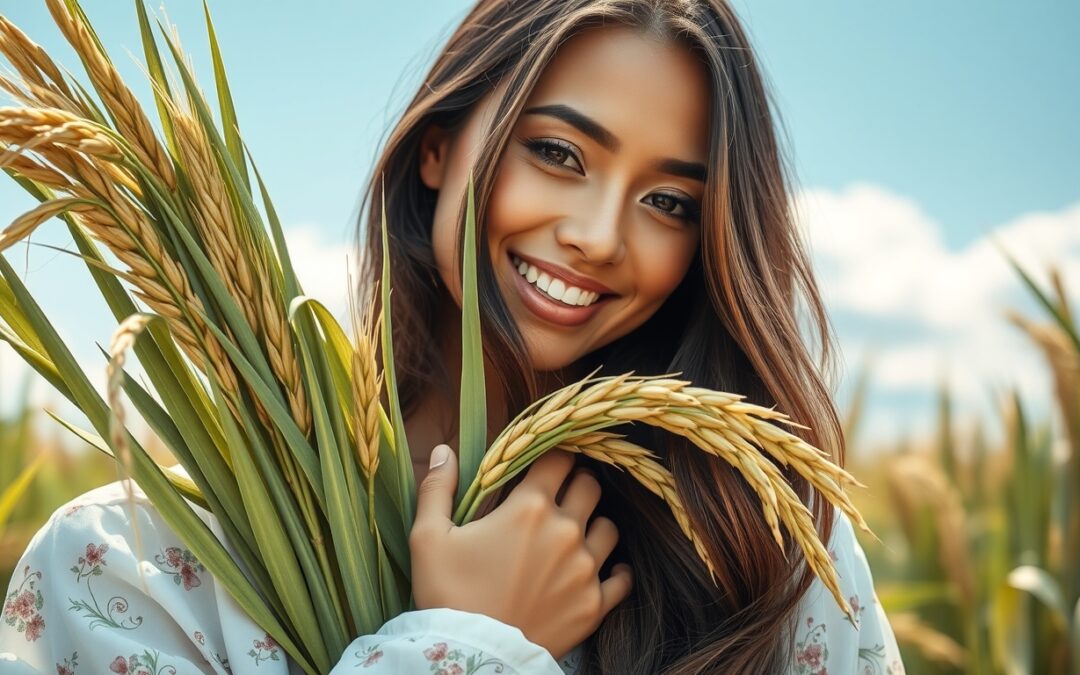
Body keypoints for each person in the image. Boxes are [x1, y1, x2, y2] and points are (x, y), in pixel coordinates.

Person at [1, 0, 905, 673]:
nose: (599, 235)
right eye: (558, 153)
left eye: (668, 201)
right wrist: (474, 642)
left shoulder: (768, 549)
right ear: (437, 146)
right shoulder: (140, 568)